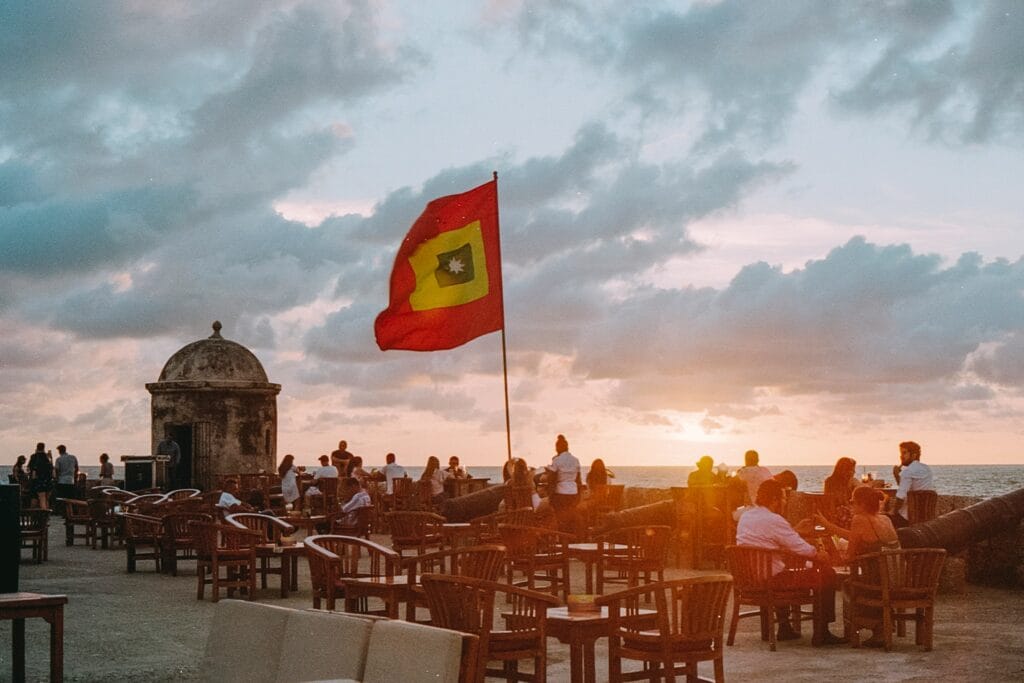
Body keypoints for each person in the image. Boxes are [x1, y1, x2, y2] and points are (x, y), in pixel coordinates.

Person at [735, 478, 846, 646]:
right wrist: (819, 554)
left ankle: (784, 627)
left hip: (751, 579)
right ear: (774, 500)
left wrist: (794, 530)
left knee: (783, 570)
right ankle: (822, 632)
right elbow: (802, 549)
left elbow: (769, 538)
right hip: (772, 580)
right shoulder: (774, 519)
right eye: (783, 498)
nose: (785, 502)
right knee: (826, 574)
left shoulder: (746, 517)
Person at [889, 440, 935, 528]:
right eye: (900, 453)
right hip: (924, 517)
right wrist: (897, 476)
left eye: (904, 453)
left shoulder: (907, 471)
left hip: (906, 518)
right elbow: (905, 488)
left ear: (914, 455)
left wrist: (892, 512)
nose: (901, 456)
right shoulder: (927, 469)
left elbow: (901, 497)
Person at [545, 435, 581, 533]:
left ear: (557, 448)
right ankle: (571, 538)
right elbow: (578, 480)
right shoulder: (576, 460)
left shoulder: (557, 460)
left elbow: (552, 479)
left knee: (560, 519)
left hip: (561, 493)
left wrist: (550, 496)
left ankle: (562, 538)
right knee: (571, 519)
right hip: (573, 493)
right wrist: (579, 495)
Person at [822, 457, 859, 528]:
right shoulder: (833, 482)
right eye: (852, 470)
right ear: (845, 470)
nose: (854, 472)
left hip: (834, 513)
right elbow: (840, 501)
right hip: (838, 514)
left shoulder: (829, 480)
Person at [53, 444, 79, 514]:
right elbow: (76, 468)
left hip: (62, 481)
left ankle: (63, 512)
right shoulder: (73, 457)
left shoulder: (58, 459)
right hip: (71, 480)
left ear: (59, 451)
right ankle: (71, 512)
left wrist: (56, 479)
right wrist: (75, 477)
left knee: (62, 498)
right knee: (71, 498)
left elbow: (57, 470)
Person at [27, 442, 54, 510]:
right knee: (46, 499)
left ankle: (34, 514)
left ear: (37, 447)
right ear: (44, 448)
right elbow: (51, 468)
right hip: (48, 480)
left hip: (37, 480)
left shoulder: (34, 456)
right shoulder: (47, 457)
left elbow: (29, 468)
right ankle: (46, 514)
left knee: (35, 498)